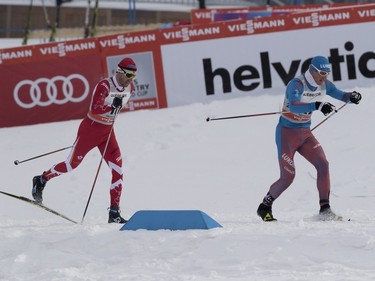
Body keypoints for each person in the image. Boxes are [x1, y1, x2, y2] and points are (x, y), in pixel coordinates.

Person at [32, 57, 137, 223]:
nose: (131, 79)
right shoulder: (104, 85)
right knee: (70, 165)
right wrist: (111, 106)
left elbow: (117, 109)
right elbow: (95, 108)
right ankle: (42, 179)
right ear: (119, 72)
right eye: (129, 75)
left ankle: (114, 213)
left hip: (108, 132)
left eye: (134, 76)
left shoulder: (129, 87)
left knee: (118, 170)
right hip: (90, 129)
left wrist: (114, 109)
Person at [256, 55, 362, 222]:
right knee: (288, 177)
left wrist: (352, 97)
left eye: (327, 73)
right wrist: (317, 105)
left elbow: (342, 96)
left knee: (323, 164)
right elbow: (294, 105)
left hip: (305, 134)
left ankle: (325, 209)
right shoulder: (296, 84)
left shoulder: (325, 84)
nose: (324, 76)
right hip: (286, 134)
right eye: (321, 72)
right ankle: (264, 207)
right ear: (312, 70)